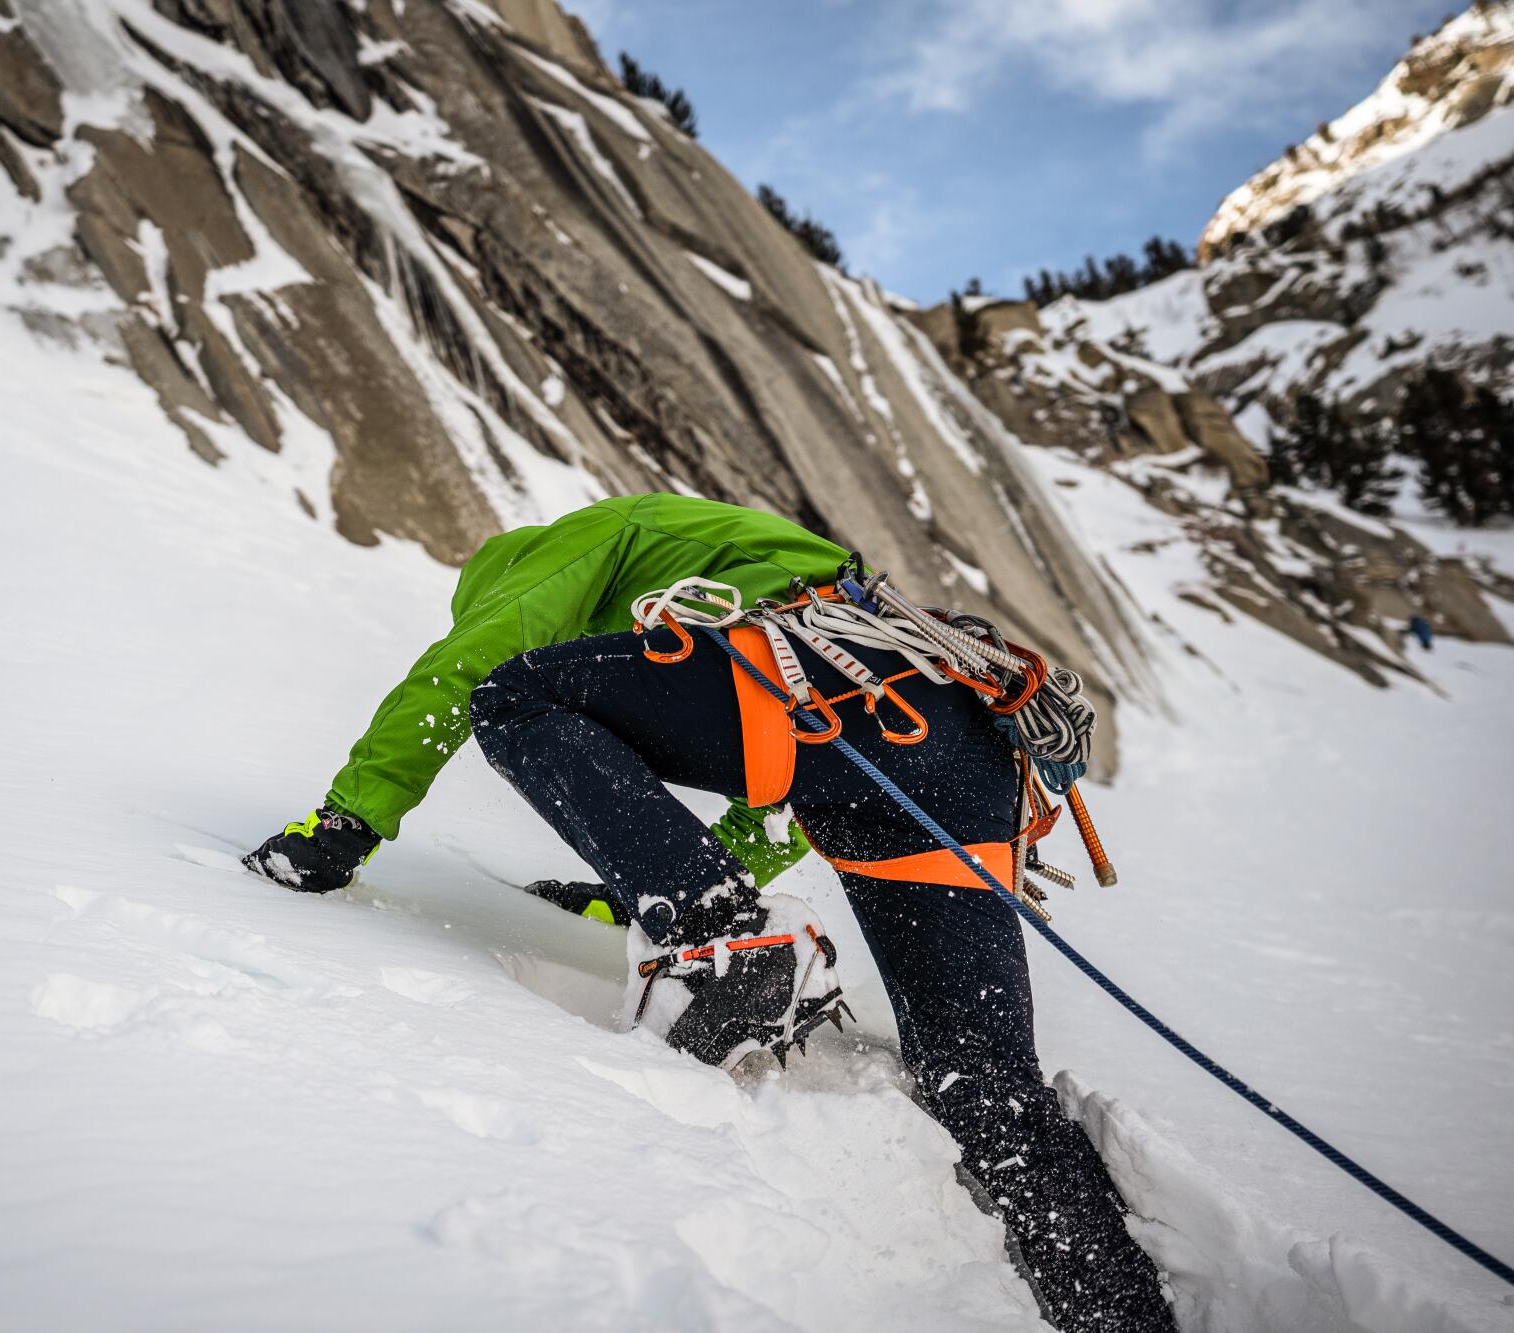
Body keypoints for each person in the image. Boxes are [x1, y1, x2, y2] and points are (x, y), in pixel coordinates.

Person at [244, 495, 1175, 1332]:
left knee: (514, 695)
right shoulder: (726, 550)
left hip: (819, 679)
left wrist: (344, 825)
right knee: (982, 1077)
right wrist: (647, 882)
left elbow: (468, 669)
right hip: (950, 736)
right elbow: (786, 781)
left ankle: (715, 928)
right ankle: (1116, 1307)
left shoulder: (575, 545)